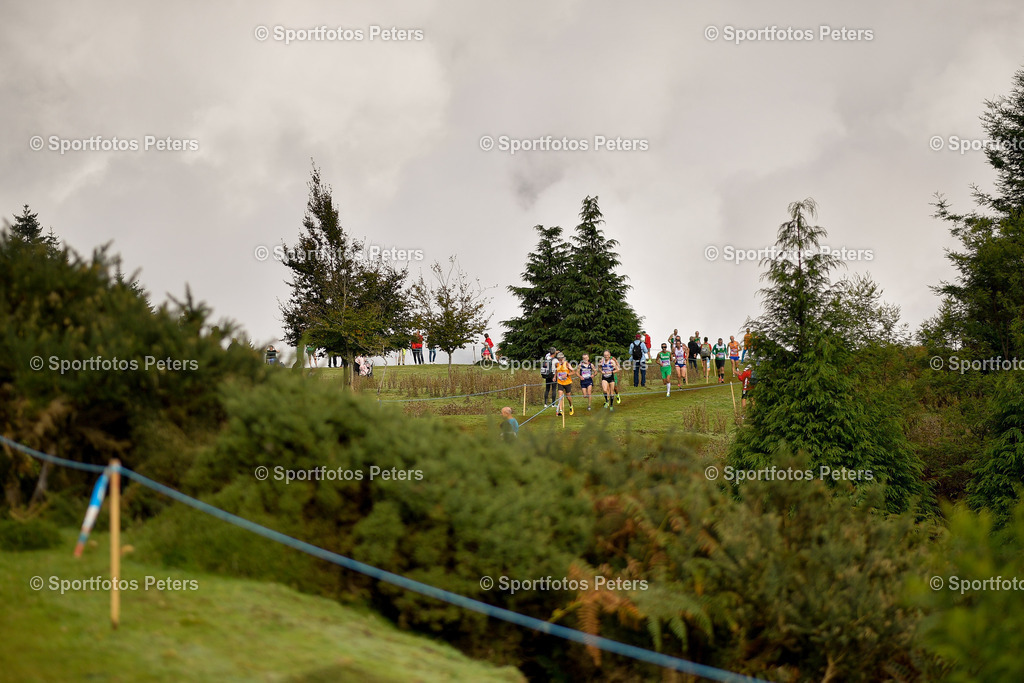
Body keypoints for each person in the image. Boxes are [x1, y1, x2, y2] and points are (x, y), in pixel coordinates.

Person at [554, 352, 576, 416]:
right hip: (560, 382)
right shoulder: (557, 364)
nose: (559, 360)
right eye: (558, 359)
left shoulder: (567, 364)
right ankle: (561, 411)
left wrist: (567, 374)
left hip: (567, 382)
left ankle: (571, 406)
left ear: (563, 358)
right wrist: (554, 377)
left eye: (561, 359)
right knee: (560, 395)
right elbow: (556, 370)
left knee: (568, 396)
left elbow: (573, 372)